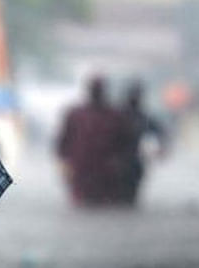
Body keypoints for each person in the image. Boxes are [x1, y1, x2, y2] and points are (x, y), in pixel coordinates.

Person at [55, 75, 136, 206]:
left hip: (105, 174)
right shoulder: (76, 115)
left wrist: (120, 164)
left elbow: (127, 144)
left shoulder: (115, 116)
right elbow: (62, 144)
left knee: (102, 206)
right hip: (83, 171)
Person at [117, 79, 169, 205]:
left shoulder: (142, 118)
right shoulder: (119, 117)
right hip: (121, 163)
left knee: (127, 199)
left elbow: (160, 133)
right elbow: (160, 133)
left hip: (131, 164)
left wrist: (161, 150)